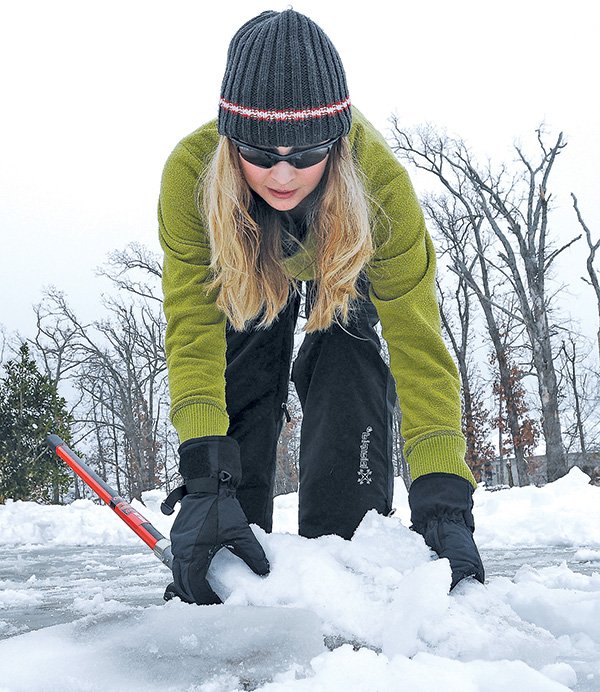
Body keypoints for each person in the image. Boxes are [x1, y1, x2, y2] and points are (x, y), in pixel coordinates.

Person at [158, 9, 485, 605]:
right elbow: (192, 330)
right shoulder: (191, 174)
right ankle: (235, 532)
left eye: (306, 152)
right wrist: (204, 474)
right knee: (248, 348)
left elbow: (419, 345)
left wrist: (444, 498)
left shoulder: (379, 186)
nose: (283, 174)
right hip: (249, 270)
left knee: (347, 348)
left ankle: (347, 539)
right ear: (230, 138)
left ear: (335, 143)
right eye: (260, 150)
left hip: (342, 252)